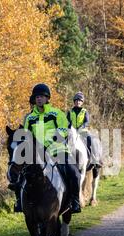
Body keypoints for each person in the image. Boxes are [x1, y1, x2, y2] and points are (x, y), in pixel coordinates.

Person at [11, 84, 81, 214]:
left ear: (47, 98)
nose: (39, 99)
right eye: (37, 97)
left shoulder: (57, 113)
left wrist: (52, 139)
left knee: (74, 172)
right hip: (37, 155)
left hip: (57, 151)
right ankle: (19, 202)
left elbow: (64, 129)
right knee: (18, 172)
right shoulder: (29, 118)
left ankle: (75, 201)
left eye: (42, 96)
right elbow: (26, 135)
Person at [67, 92, 101, 167]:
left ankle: (95, 159)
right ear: (74, 102)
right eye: (76, 100)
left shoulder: (84, 111)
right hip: (72, 132)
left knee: (91, 139)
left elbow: (87, 122)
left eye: (80, 101)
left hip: (82, 131)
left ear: (82, 102)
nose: (78, 102)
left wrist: (81, 127)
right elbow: (67, 121)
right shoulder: (70, 112)